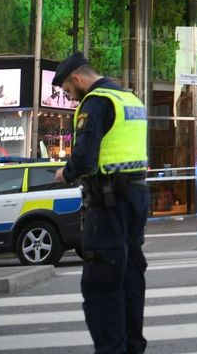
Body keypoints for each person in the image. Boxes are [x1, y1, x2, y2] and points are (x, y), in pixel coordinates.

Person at [52, 52, 150, 354]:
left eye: (69, 90)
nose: (70, 97)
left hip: (108, 203)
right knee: (131, 276)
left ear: (78, 79)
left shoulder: (96, 102)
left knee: (102, 284)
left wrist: (65, 173)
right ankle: (133, 347)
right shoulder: (130, 99)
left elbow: (84, 158)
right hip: (136, 198)